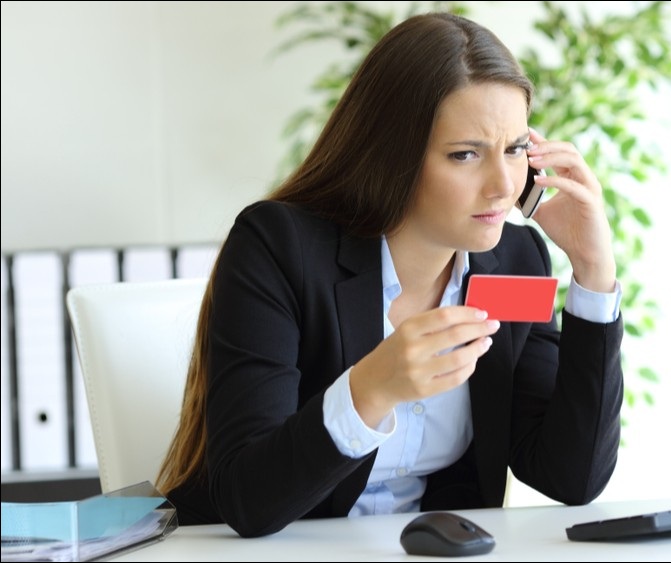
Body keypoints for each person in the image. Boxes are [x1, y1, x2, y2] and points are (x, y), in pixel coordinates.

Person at [156, 11, 624, 538]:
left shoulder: (516, 263)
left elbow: (571, 477)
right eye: (465, 155)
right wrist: (370, 390)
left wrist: (593, 271)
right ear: (393, 154)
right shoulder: (278, 247)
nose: (502, 186)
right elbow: (247, 499)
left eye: (515, 150)